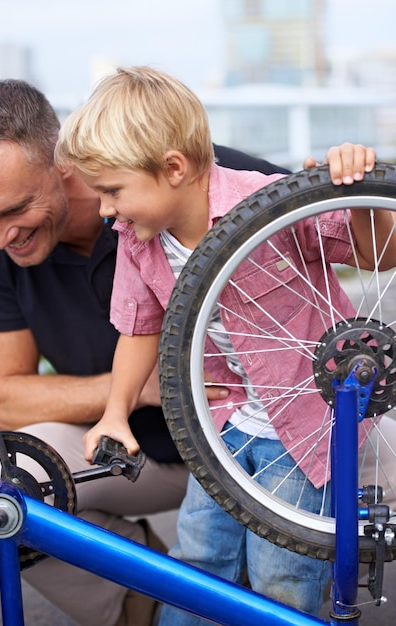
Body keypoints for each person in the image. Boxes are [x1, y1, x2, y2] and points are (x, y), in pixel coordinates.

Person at [0, 78, 300, 626]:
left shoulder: (196, 179)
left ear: (65, 162)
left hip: (263, 434)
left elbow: (354, 245)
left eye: (14, 209)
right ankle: (139, 601)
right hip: (128, 452)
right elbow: (4, 396)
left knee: (289, 572)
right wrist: (139, 389)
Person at [54, 66, 396, 623]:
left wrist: (358, 198)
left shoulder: (270, 205)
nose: (104, 210)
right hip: (221, 428)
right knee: (198, 559)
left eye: (112, 191)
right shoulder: (138, 243)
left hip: (309, 434)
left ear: (172, 168)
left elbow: (374, 253)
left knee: (283, 574)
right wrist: (115, 413)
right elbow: (138, 328)